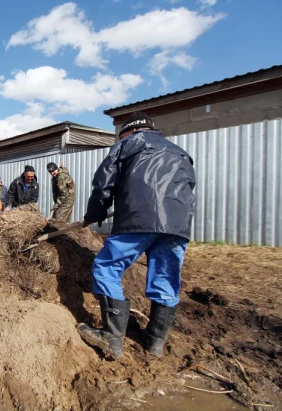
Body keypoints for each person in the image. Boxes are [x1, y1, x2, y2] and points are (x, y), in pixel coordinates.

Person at [77, 112, 196, 360]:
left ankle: (111, 338)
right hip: (177, 224)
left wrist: (95, 213)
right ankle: (154, 343)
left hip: (138, 219)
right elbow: (188, 189)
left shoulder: (127, 145)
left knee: (107, 266)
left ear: (129, 131)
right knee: (165, 277)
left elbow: (104, 182)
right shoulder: (181, 152)